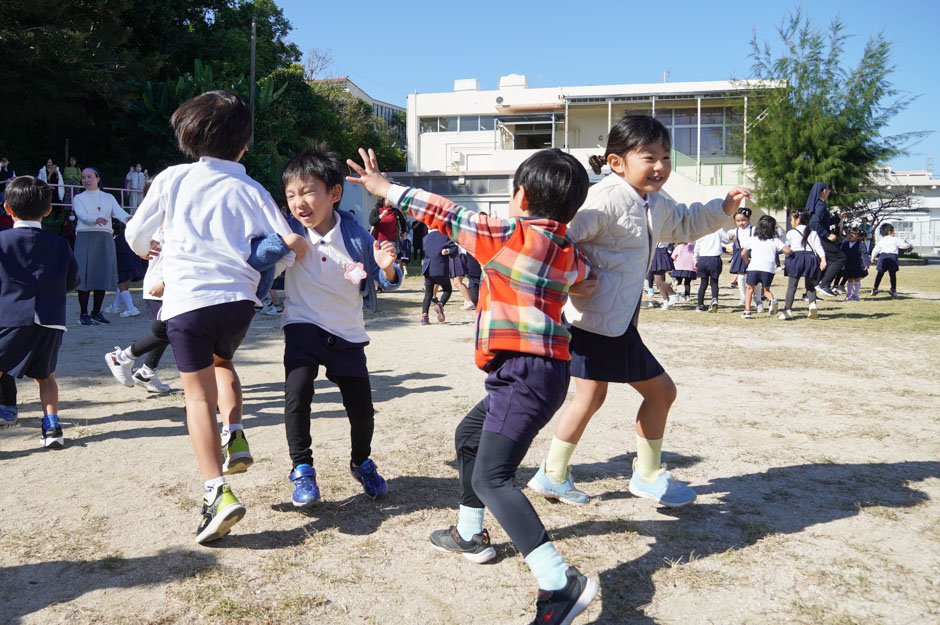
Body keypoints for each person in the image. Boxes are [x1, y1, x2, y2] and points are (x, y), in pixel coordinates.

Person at [348, 146, 598, 625]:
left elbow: (443, 211)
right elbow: (591, 280)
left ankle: (559, 582)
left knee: (492, 478)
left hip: (522, 374)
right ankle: (469, 533)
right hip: (539, 375)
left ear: (520, 196)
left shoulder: (508, 234)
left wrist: (385, 190)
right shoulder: (569, 252)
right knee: (468, 437)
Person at [527, 114, 748, 512]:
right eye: (649, 157)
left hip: (610, 320)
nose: (660, 166)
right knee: (662, 391)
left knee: (589, 398)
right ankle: (647, 475)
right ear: (617, 162)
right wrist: (573, 281)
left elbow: (684, 223)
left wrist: (723, 208)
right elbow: (557, 238)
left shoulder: (653, 201)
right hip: (599, 322)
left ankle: (552, 473)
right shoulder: (605, 199)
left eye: (665, 156)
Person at [124, 90, 302, 544]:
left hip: (188, 302)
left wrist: (152, 252)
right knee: (223, 365)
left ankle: (216, 492)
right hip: (239, 307)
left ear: (187, 133)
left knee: (196, 399)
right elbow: (287, 243)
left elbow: (135, 234)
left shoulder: (173, 178)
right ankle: (236, 434)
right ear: (244, 144)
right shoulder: (252, 188)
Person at [251, 143, 402, 507]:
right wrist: (282, 246)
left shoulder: (355, 237)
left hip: (347, 332)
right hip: (301, 324)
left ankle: (361, 461)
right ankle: (302, 469)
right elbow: (257, 259)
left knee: (362, 409)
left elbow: (385, 279)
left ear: (334, 194)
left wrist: (386, 267)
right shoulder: (288, 231)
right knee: (297, 393)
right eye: (291, 195)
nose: (299, 202)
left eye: (307, 192)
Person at [0, 176, 79, 444]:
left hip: (10, 316)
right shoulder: (61, 244)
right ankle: (52, 427)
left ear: (7, 208)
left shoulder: (2, 241)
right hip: (52, 318)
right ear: (48, 210)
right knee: (46, 377)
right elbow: (71, 281)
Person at [72, 167, 132, 325]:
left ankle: (96, 312)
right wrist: (95, 219)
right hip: (86, 236)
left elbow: (119, 212)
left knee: (101, 274)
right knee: (84, 275)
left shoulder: (108, 197)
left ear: (97, 178)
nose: (86, 180)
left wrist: (129, 219)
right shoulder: (79, 198)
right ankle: (83, 314)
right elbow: (81, 215)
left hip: (105, 237)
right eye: (84, 177)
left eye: (89, 176)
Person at [778, 209, 826, 320]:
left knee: (792, 286)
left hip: (796, 258)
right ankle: (812, 304)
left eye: (792, 220)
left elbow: (786, 247)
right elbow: (819, 247)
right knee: (810, 285)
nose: (791, 222)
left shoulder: (791, 233)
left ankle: (788, 310)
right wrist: (823, 259)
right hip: (811, 258)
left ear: (798, 220)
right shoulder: (813, 232)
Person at [741, 215, 786, 319]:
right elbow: (787, 251)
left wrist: (748, 261)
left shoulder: (753, 239)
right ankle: (771, 300)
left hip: (754, 267)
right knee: (766, 290)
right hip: (768, 269)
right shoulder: (775, 240)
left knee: (749, 289)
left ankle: (747, 311)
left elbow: (743, 254)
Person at [806, 182, 846, 297]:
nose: (829, 193)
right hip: (821, 238)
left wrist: (838, 218)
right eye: (829, 190)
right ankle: (824, 284)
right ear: (824, 191)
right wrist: (827, 235)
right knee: (840, 258)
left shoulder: (818, 204)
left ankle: (809, 293)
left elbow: (824, 222)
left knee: (821, 264)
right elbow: (814, 223)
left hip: (817, 237)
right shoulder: (820, 205)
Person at [420, 229, 456, 324]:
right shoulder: (445, 235)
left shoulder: (425, 238)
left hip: (427, 268)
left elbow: (424, 252)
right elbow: (454, 250)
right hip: (440, 268)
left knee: (428, 294)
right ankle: (440, 304)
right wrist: (447, 251)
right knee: (448, 289)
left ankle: (424, 317)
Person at [870, 223, 912, 298]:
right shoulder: (895, 239)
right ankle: (893, 289)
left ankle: (875, 288)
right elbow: (903, 245)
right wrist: (908, 245)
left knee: (879, 274)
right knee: (892, 275)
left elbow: (875, 250)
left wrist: (872, 258)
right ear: (890, 232)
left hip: (883, 257)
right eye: (893, 231)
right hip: (892, 257)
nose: (894, 233)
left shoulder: (881, 240)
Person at [693, 228, 729, 313]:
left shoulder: (701, 230)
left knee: (703, 283)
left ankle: (700, 304)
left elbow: (697, 247)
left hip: (703, 258)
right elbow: (727, 240)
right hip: (715, 258)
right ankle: (714, 299)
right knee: (714, 282)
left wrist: (695, 259)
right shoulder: (719, 229)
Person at [727, 207, 755, 305]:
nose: (741, 223)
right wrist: (729, 236)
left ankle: (755, 296)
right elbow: (728, 236)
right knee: (741, 276)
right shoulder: (735, 231)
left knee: (753, 276)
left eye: (743, 220)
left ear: (748, 219)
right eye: (738, 221)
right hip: (740, 254)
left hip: (752, 254)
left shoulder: (754, 230)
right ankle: (743, 296)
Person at [840, 227, 870, 301]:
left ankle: (855, 295)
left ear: (858, 237)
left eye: (852, 235)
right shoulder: (845, 243)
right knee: (849, 279)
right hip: (848, 264)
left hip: (857, 265)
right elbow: (840, 252)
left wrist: (866, 264)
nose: (850, 236)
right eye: (849, 234)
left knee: (857, 279)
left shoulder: (861, 245)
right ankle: (849, 293)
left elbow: (864, 254)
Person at [650, 242, 680, 309]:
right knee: (659, 281)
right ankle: (665, 301)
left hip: (660, 252)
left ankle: (674, 295)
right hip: (655, 252)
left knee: (658, 280)